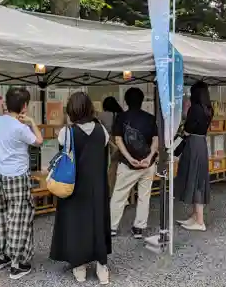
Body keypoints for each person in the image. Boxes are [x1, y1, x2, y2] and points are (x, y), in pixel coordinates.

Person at [50, 92, 112, 285]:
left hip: (73, 187)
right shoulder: (102, 130)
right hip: (98, 187)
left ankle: (80, 267)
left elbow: (60, 144)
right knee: (98, 223)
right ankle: (102, 266)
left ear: (71, 110)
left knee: (76, 225)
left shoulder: (66, 133)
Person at [0, 87, 43, 280]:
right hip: (18, 176)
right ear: (24, 106)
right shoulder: (21, 128)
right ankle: (18, 264)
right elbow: (39, 141)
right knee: (19, 218)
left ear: (6, 103)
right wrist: (32, 122)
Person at [110, 87, 158, 239]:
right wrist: (149, 157)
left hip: (127, 165)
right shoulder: (150, 118)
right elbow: (156, 140)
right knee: (144, 196)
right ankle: (139, 228)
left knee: (119, 195)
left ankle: (111, 227)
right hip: (147, 165)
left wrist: (129, 158)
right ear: (142, 101)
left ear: (126, 101)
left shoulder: (121, 117)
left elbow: (117, 139)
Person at [175, 81, 213, 231]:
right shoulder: (209, 109)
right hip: (201, 143)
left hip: (193, 144)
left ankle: (200, 221)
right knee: (198, 178)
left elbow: (187, 130)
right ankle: (195, 217)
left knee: (195, 178)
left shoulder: (194, 109)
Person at [97, 96, 124, 196]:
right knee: (119, 168)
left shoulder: (101, 115)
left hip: (108, 143)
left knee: (109, 167)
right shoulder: (121, 114)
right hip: (120, 142)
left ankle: (109, 192)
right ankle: (119, 192)